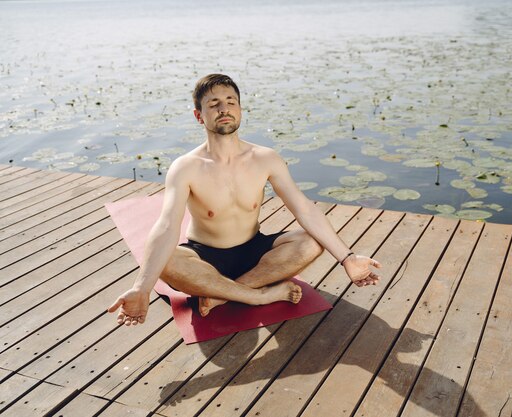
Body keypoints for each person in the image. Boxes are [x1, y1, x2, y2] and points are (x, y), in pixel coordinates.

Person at [108, 74, 382, 326]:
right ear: (199, 116)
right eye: (213, 104)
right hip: (205, 255)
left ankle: (222, 293)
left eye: (230, 102)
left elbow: (304, 209)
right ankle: (258, 296)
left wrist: (347, 258)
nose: (224, 109)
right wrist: (142, 287)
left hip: (254, 251)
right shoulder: (186, 166)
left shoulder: (265, 158)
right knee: (165, 262)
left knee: (311, 241)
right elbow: (167, 225)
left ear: (240, 110)